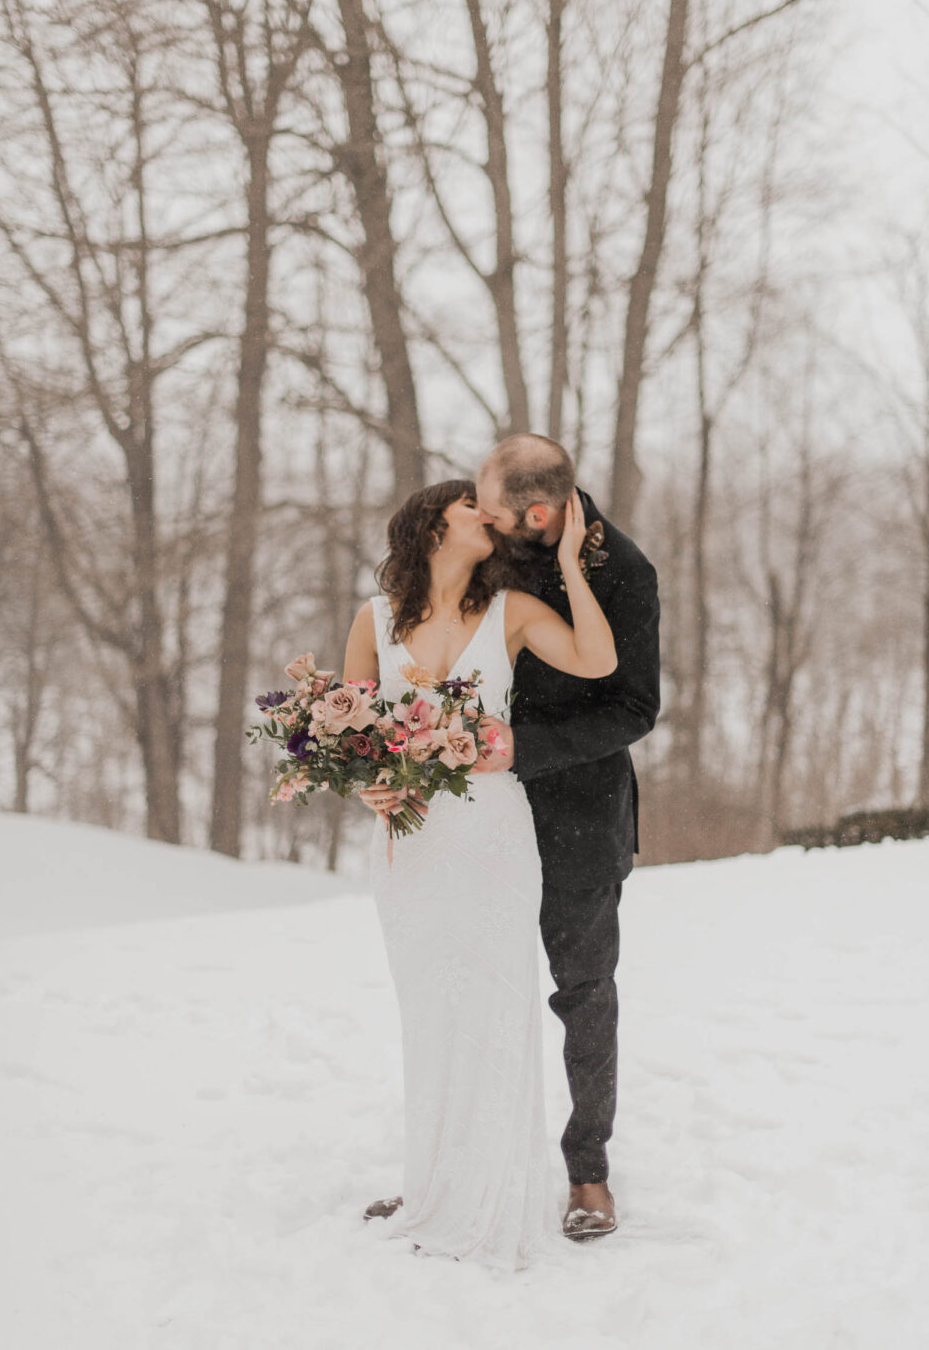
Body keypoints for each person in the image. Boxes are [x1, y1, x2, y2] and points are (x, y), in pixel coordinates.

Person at [343, 478, 617, 1270]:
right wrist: (368, 785)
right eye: (472, 506)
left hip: (493, 834)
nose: (489, 517)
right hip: (412, 841)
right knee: (430, 1011)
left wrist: (570, 564)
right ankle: (433, 1183)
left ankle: (495, 1190)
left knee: (495, 1005)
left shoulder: (512, 613)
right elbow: (357, 735)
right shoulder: (372, 619)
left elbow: (598, 660)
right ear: (431, 524)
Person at [472, 435, 660, 1242]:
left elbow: (635, 709)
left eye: (492, 510)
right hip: (479, 815)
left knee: (584, 994)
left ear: (539, 515)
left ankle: (588, 1171)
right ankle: (467, 1164)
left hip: (581, 817)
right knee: (476, 989)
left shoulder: (626, 573)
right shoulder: (485, 548)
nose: (479, 520)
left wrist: (526, 748)